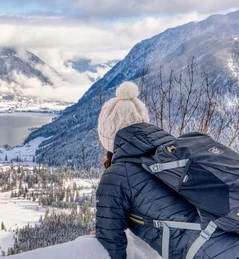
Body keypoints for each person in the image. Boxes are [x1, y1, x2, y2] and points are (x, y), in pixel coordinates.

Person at [95, 81, 239, 259]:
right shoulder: (176, 156)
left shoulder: (116, 176)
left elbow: (111, 242)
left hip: (206, 252)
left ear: (108, 137)